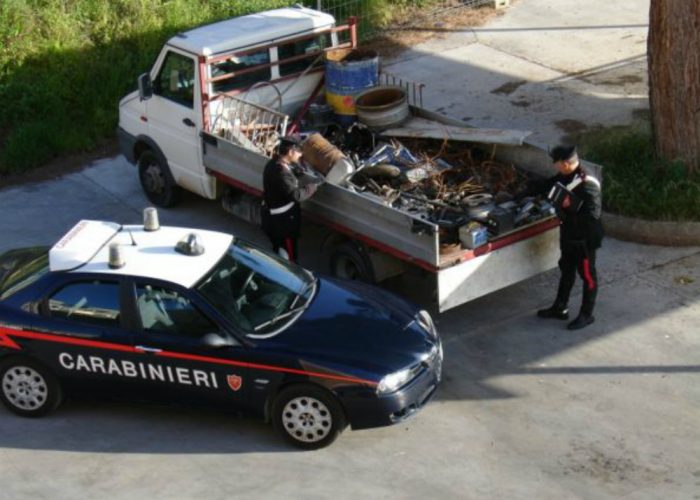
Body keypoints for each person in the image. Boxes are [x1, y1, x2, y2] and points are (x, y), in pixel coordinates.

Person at [532, 145, 604, 330]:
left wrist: (567, 208)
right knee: (566, 271)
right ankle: (560, 307)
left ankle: (587, 315)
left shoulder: (587, 184)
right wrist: (525, 191)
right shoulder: (566, 176)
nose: (554, 166)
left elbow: (592, 215)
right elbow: (549, 184)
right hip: (569, 236)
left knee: (588, 276)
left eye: (555, 163)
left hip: (584, 241)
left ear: (565, 164)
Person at [261, 135, 322, 262]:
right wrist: (313, 186)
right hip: (283, 225)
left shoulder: (273, 164)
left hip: (274, 220)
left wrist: (295, 173)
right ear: (290, 152)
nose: (300, 155)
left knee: (279, 251)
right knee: (288, 258)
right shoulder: (281, 172)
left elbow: (284, 183)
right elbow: (296, 195)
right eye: (299, 152)